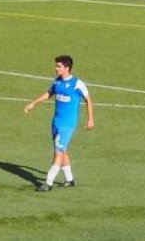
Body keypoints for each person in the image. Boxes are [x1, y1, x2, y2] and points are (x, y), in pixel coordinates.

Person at [24, 55, 94, 191]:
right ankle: (70, 179)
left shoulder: (77, 84)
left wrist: (90, 119)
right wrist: (34, 103)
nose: (56, 69)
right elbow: (49, 93)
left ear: (67, 68)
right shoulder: (57, 82)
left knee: (58, 151)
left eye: (59, 66)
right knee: (62, 150)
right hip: (56, 122)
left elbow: (88, 100)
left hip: (68, 125)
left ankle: (48, 182)